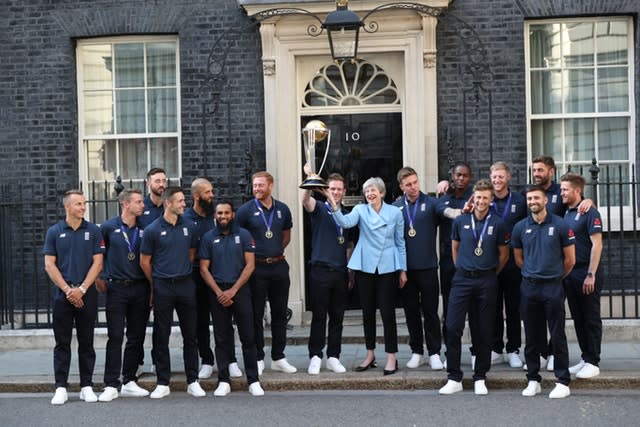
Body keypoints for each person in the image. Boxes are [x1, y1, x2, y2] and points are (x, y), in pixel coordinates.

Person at [328, 177, 407, 376]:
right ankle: (370, 354)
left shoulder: (395, 213)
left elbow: (400, 242)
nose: (370, 194)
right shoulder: (360, 210)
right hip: (365, 266)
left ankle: (391, 357)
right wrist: (333, 204)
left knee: (388, 314)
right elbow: (345, 223)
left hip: (387, 266)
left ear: (381, 192)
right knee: (367, 313)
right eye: (367, 191)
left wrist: (403, 269)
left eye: (373, 190)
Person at [439, 179, 509, 395]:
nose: (481, 201)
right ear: (474, 198)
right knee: (452, 327)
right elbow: (455, 249)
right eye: (478, 197)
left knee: (483, 329)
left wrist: (488, 272)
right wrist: (465, 267)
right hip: (462, 280)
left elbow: (503, 255)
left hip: (486, 280)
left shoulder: (498, 223)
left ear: (490, 199)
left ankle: (480, 376)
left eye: (485, 198)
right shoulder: (461, 221)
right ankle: (454, 377)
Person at [139, 187, 206, 399]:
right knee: (161, 335)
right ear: (168, 203)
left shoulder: (189, 226)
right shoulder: (152, 230)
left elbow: (192, 253)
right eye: (179, 201)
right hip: (162, 286)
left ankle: (192, 380)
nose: (184, 204)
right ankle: (162, 382)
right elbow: (144, 262)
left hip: (186, 284)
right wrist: (157, 280)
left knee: (191, 334)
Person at [512, 185, 575, 399]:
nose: (532, 202)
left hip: (553, 286)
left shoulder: (560, 224)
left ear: (546, 200)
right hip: (529, 286)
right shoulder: (520, 227)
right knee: (531, 336)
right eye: (529, 199)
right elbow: (519, 259)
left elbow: (570, 260)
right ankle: (533, 379)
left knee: (557, 334)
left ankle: (563, 381)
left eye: (536, 198)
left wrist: (554, 276)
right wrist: (533, 273)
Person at [44, 190, 105, 405]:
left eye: (84, 203)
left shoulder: (94, 231)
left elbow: (98, 263)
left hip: (86, 295)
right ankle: (61, 386)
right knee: (62, 343)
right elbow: (49, 264)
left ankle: (86, 386)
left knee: (87, 342)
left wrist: (83, 289)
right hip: (63, 295)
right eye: (78, 204)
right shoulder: (54, 232)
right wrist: (69, 291)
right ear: (67, 207)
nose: (83, 207)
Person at [199, 200, 264, 396]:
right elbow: (203, 268)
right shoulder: (208, 237)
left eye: (226, 213)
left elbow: (250, 265)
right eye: (219, 213)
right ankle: (224, 380)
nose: (223, 216)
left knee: (248, 337)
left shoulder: (244, 235)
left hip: (240, 290)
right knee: (221, 338)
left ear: (233, 214)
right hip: (217, 291)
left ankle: (253, 380)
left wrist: (233, 291)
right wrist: (220, 292)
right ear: (215, 216)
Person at [236, 171, 296, 374]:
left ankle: (279, 357)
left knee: (280, 313)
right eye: (254, 185)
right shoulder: (245, 211)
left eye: (261, 185)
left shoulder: (283, 209)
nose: (257, 189)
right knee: (256, 314)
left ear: (271, 186)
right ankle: (258, 357)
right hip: (256, 268)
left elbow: (285, 236)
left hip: (278, 266)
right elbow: (239, 239)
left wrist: (274, 251)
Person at [183, 177, 243, 379]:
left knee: (225, 321)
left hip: (220, 275)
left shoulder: (215, 217)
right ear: (197, 195)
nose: (212, 195)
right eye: (208, 192)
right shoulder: (185, 218)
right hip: (196, 275)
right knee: (200, 320)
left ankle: (230, 360)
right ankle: (207, 360)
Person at [96, 189, 151, 402]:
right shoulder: (108, 228)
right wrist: (100, 280)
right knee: (116, 335)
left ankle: (129, 380)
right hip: (116, 288)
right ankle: (111, 383)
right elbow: (98, 257)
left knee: (136, 336)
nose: (143, 206)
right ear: (125, 204)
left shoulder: (145, 227)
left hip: (140, 287)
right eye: (138, 202)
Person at [393, 167, 444, 370]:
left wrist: (445, 192)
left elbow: (448, 213)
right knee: (411, 312)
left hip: (429, 267)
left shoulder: (432, 203)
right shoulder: (395, 207)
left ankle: (434, 352)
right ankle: (417, 351)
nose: (413, 187)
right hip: (406, 271)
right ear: (401, 187)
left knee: (431, 312)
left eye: (415, 182)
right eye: (408, 184)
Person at [302, 172, 352, 375]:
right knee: (319, 316)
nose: (336, 192)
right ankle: (315, 356)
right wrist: (311, 180)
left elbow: (349, 245)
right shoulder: (320, 208)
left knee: (337, 317)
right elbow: (305, 201)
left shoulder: (348, 214)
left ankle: (333, 356)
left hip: (340, 272)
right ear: (327, 190)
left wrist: (350, 271)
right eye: (332, 189)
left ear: (344, 191)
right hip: (320, 270)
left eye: (339, 189)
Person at [560, 173, 603, 379]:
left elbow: (597, 244)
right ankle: (586, 358)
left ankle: (594, 361)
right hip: (571, 273)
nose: (562, 192)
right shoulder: (567, 212)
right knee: (578, 318)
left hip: (587, 272)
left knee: (591, 318)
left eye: (565, 189)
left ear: (577, 191)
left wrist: (591, 274)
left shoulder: (590, 212)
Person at [488, 162, 528, 368]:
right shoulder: (485, 199)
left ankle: (513, 349)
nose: (497, 181)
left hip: (513, 261)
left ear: (508, 178)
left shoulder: (520, 201)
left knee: (513, 308)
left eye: (500, 177)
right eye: (494, 177)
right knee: (493, 306)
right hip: (491, 261)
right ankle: (496, 348)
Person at [436, 163, 473, 346]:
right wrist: (463, 212)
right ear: (452, 176)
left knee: (473, 308)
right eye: (458, 175)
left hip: (469, 259)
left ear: (470, 178)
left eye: (465, 175)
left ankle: (476, 351)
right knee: (450, 306)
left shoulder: (474, 197)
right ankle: (450, 349)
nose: (461, 178)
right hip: (448, 259)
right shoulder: (443, 197)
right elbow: (443, 211)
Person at [137, 167, 167, 374]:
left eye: (164, 180)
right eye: (157, 181)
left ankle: (158, 361)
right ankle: (137, 362)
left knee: (162, 322)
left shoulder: (168, 206)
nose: (161, 184)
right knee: (138, 321)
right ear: (148, 183)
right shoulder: (141, 207)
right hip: (142, 272)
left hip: (165, 272)